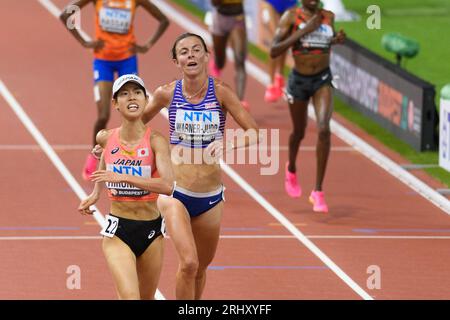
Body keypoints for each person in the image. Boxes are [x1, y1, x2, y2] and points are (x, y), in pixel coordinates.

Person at [142, 32, 259, 299]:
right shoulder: (166, 93)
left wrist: (230, 143)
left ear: (206, 56)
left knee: (201, 269)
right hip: (176, 193)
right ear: (176, 61)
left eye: (197, 50)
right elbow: (136, 125)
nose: (191, 54)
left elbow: (254, 131)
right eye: (184, 51)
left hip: (210, 197)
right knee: (189, 263)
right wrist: (109, 142)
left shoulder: (221, 92)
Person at [78, 74, 174, 299]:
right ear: (115, 103)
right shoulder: (105, 137)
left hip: (152, 230)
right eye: (125, 93)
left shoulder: (156, 141)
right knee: (131, 297)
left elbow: (168, 185)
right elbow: (105, 158)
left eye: (137, 92)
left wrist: (123, 177)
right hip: (118, 231)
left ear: (145, 98)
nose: (132, 97)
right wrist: (95, 193)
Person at [59, 0, 169, 180]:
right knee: (103, 115)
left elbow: (163, 20)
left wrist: (146, 45)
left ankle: (136, 158)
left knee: (136, 115)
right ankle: (94, 156)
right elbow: (66, 14)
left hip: (127, 59)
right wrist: (84, 42)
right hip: (103, 61)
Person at [270, 0, 345, 212]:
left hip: (322, 79)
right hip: (298, 81)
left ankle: (318, 191)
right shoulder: (291, 17)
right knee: (299, 132)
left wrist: (334, 40)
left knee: (323, 129)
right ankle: (291, 168)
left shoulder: (328, 16)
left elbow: (319, 43)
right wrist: (303, 31)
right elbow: (274, 50)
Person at [208, 0, 249, 109]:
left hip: (237, 18)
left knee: (240, 59)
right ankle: (216, 64)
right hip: (220, 18)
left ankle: (240, 102)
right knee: (220, 62)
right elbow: (214, 3)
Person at [262, 0, 298, 103]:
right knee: (276, 39)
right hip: (272, 2)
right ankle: (271, 84)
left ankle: (279, 76)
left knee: (285, 39)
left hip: (289, 3)